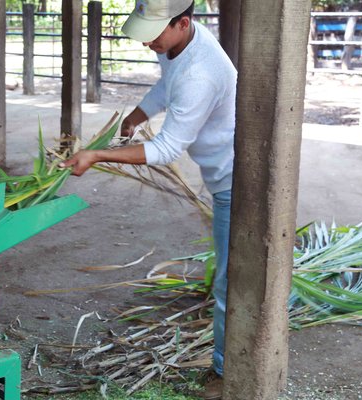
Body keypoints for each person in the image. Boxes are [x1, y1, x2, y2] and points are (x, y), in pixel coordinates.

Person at [60, 1, 236, 398]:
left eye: (155, 33)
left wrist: (97, 154)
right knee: (231, 271)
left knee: (227, 282)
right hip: (221, 170)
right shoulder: (179, 46)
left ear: (183, 23)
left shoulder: (201, 74)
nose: (148, 43)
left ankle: (226, 373)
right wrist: (137, 115)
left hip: (236, 180)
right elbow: (166, 86)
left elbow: (168, 148)